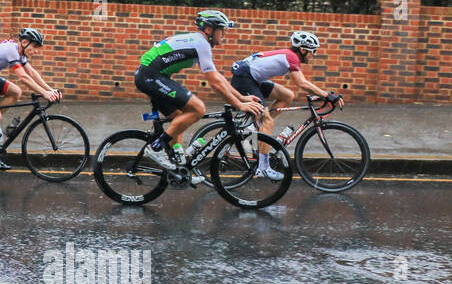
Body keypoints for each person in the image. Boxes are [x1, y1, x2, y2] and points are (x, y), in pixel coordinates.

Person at [135, 10, 264, 173]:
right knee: (198, 109)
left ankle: (179, 168)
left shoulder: (199, 42)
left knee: (179, 116)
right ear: (209, 29)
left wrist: (241, 98)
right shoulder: (201, 43)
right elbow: (215, 83)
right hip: (151, 76)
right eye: (221, 29)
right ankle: (156, 148)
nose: (224, 33)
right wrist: (239, 104)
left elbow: (218, 77)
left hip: (151, 75)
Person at [230, 30, 342, 179]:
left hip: (253, 78)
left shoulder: (290, 55)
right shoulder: (292, 57)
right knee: (268, 121)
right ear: (303, 49)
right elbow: (302, 83)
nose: (313, 55)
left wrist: (324, 94)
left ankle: (256, 124)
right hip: (245, 78)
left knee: (287, 95)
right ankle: (263, 168)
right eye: (312, 51)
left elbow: (300, 85)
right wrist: (327, 95)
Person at [0, 28, 62, 170]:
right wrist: (44, 93)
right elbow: (23, 77)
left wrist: (49, 89)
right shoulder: (11, 51)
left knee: (15, 92)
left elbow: (32, 73)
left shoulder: (20, 53)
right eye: (34, 47)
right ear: (25, 42)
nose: (36, 51)